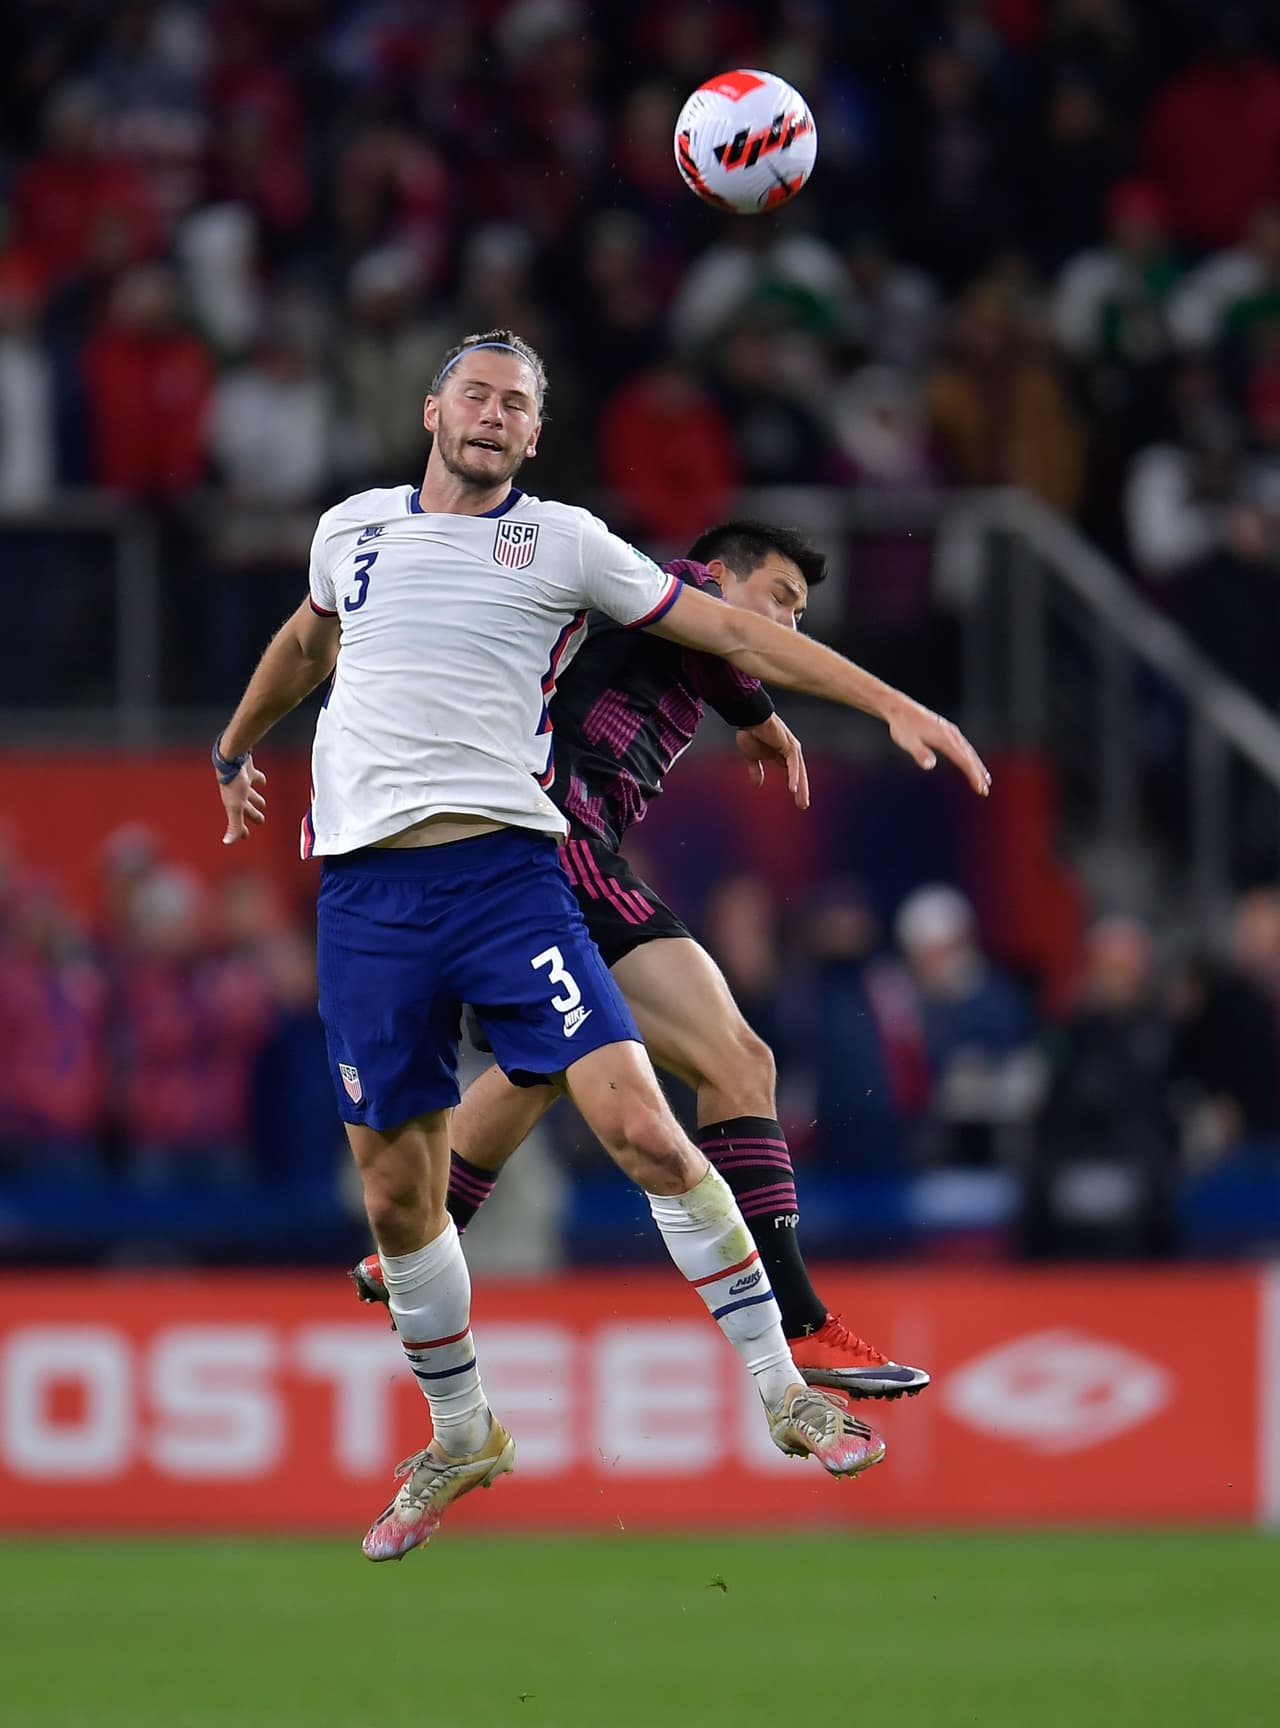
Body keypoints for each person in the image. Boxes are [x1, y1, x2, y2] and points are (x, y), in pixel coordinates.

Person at [213, 328, 990, 1562]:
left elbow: (731, 635)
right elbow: (312, 640)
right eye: (475, 392)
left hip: (512, 866)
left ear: (535, 435)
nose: (493, 414)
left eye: (518, 404)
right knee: (406, 1178)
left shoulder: (566, 543)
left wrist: (883, 700)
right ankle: (461, 1423)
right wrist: (235, 741)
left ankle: (784, 1371)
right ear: (430, 408)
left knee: (643, 1110)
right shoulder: (349, 528)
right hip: (365, 892)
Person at [351, 518, 929, 1400]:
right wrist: (786, 710)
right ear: (723, 574)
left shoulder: (681, 630)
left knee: (540, 1064)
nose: (789, 626)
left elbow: (722, 655)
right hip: (561, 845)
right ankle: (803, 1325)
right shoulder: (674, 585)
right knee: (739, 1059)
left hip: (522, 854)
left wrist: (752, 714)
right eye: (780, 599)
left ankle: (414, 1255)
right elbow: (722, 635)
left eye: (802, 614)